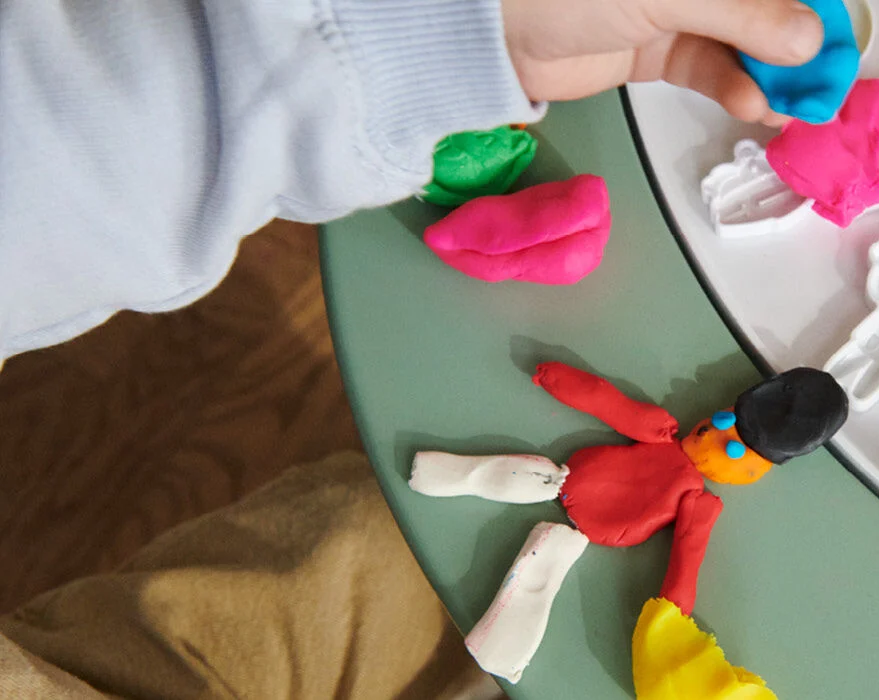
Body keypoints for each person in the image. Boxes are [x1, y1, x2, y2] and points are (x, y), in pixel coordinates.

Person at [0, 0, 826, 696]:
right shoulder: (666, 438)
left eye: (735, 443)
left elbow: (681, 547)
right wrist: (560, 381)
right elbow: (611, 411)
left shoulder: (691, 490)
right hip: (565, 480)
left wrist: (416, 45)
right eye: (731, 426)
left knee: (371, 529)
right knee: (413, 521)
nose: (718, 435)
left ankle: (481, 609)